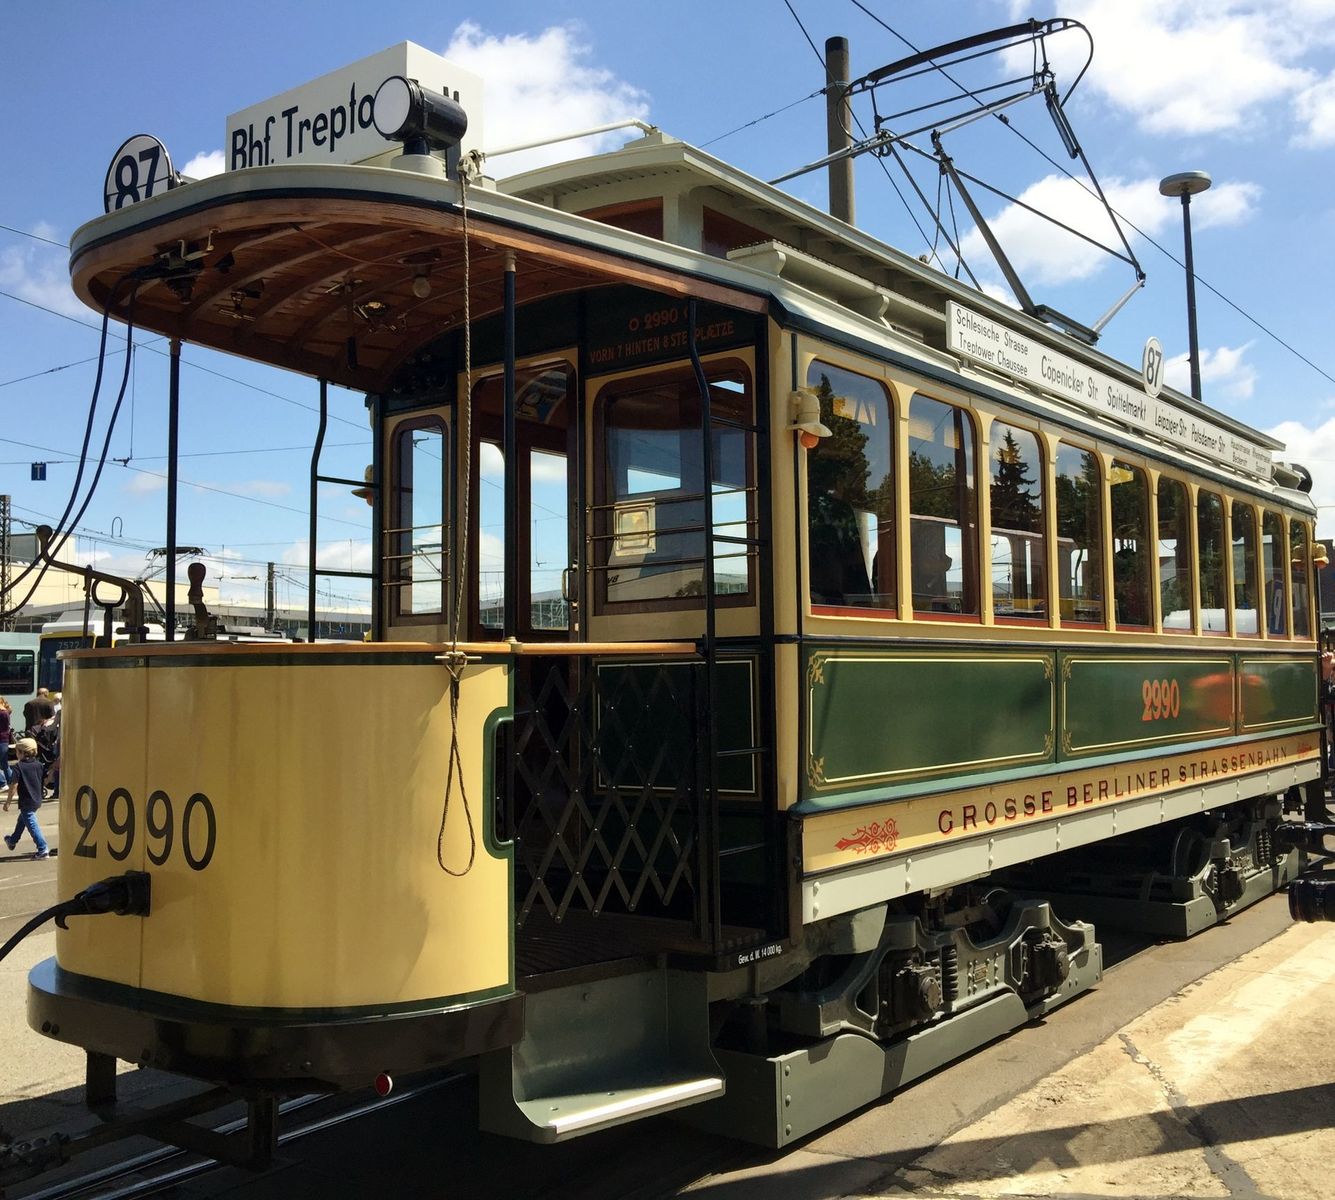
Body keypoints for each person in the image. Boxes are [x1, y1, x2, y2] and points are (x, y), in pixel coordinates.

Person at [3, 737, 49, 859]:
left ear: (22, 752)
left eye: (17, 751)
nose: (16, 754)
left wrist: (8, 802)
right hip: (37, 799)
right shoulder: (39, 765)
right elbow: (45, 780)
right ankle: (12, 840)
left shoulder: (18, 767)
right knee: (22, 820)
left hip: (26, 801)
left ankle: (42, 848)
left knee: (32, 824)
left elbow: (14, 785)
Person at [0, 697, 12, 799]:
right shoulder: (5, 713)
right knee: (4, 764)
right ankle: (12, 781)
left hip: (1, 740)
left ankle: (3, 782)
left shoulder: (2, 713)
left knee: (4, 764)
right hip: (3, 740)